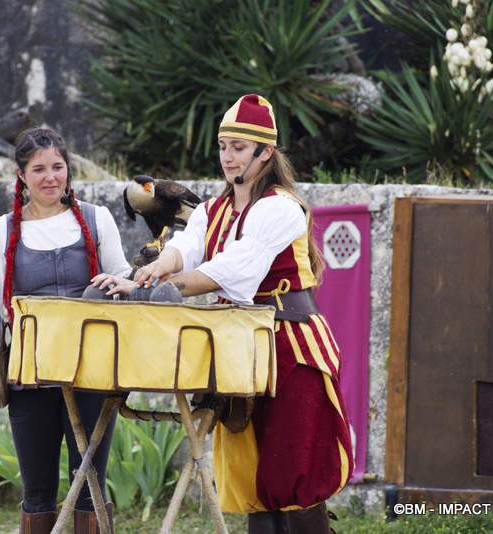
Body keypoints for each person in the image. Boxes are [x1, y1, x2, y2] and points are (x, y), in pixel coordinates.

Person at [92, 94, 354, 534]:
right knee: (254, 474)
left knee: (295, 474)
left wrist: (160, 287)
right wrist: (148, 274)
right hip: (240, 349)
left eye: (238, 147)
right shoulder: (213, 209)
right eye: (223, 146)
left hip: (291, 349)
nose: (227, 157)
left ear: (265, 152)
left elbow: (232, 268)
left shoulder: (281, 207)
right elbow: (186, 247)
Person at [0, 127, 132, 534]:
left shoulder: (96, 218)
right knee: (37, 491)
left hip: (92, 373)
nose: (50, 177)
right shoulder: (2, 232)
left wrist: (132, 280)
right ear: (21, 175)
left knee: (90, 485)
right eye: (39, 169)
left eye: (58, 166)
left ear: (68, 169)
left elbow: (122, 279)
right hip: (28, 376)